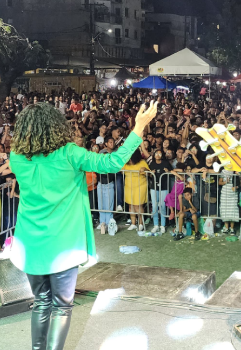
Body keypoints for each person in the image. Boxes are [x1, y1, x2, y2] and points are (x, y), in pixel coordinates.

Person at [8, 101, 158, 350]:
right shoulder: (70, 153)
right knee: (62, 307)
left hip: (30, 243)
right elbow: (111, 163)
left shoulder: (17, 158)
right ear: (56, 127)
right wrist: (139, 126)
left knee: (42, 302)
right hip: (63, 243)